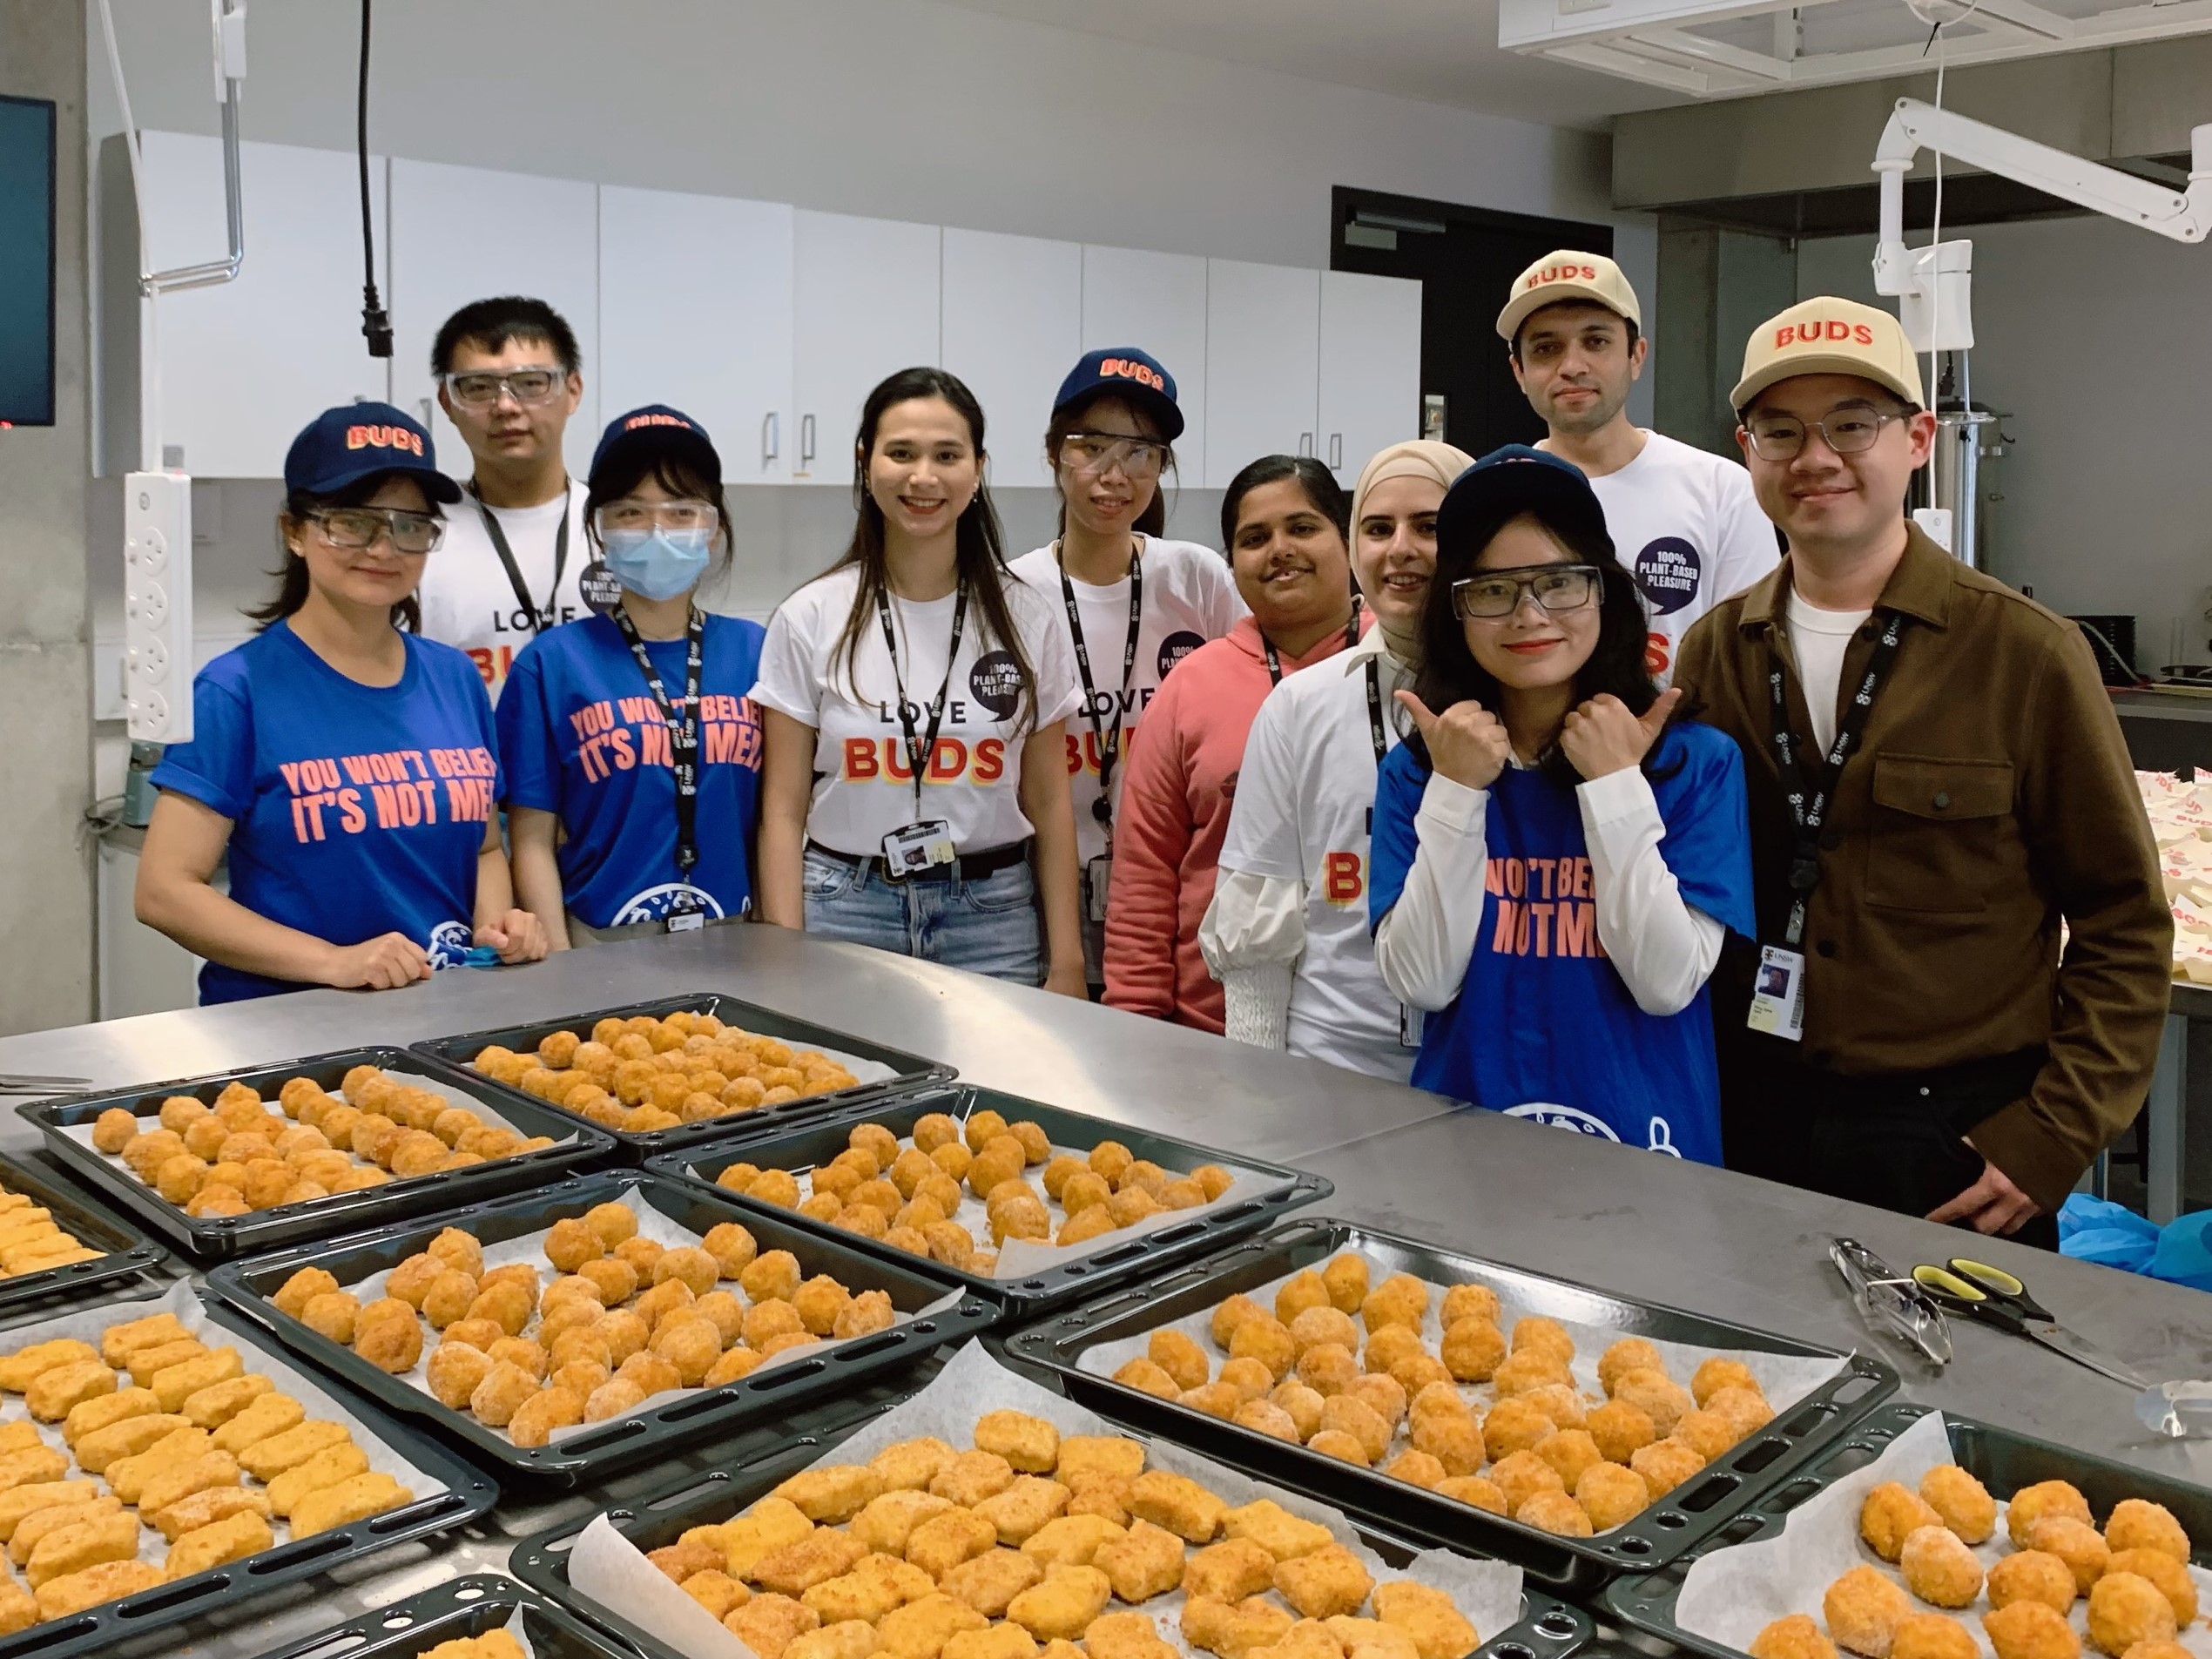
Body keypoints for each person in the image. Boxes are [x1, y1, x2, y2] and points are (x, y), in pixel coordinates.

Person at [1672, 296, 2170, 1244]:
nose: (1813, 457)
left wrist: (2051, 1135)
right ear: (1748, 453)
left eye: (1850, 424)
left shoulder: (2023, 654)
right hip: (1750, 1113)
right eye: (1780, 430)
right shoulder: (1715, 652)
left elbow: (2120, 920)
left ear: (1916, 438)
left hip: (1951, 1139)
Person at [1369, 446, 1754, 1161]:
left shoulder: (1693, 762)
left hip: (1649, 1156)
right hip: (1464, 1161)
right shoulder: (1419, 772)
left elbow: (1666, 983)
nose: (1530, 613)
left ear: (1604, 592)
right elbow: (1421, 980)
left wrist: (1614, 786)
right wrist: (1456, 791)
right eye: (1493, 589)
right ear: (1455, 609)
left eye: (1558, 582)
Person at [135, 404, 548, 1002]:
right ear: (295, 531)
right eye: (353, 522)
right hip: (287, 1035)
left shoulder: (454, 677)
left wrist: (497, 924)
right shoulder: (237, 691)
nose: (384, 547)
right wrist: (334, 962)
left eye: (410, 524)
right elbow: (164, 890)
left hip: (442, 1014)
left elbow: (483, 846)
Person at [752, 368, 1085, 994]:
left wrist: (1066, 958)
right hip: (844, 908)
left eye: (947, 455)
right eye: (900, 453)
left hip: (992, 916)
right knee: (848, 1089)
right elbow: (782, 807)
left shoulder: (1026, 618)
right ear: (865, 461)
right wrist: (783, 951)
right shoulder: (811, 616)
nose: (923, 477)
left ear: (979, 467)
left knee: (996, 1090)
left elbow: (1048, 802)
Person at [1201, 440, 1474, 1082]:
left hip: (1483, 1060)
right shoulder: (1299, 707)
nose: (1400, 549)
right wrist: (1259, 1102)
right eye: (1378, 529)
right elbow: (1257, 937)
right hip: (1331, 1065)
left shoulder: (1524, 700)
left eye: (1430, 527)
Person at [1009, 348, 1246, 994]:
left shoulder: (1196, 577)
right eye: (1092, 447)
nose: (1116, 474)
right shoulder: (1015, 593)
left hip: (1180, 894)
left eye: (1142, 452)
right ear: (1055, 453)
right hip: (1044, 902)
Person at [1106, 456, 1365, 1032]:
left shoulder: (1404, 666)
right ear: (1231, 563)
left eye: (1302, 528)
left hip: (1370, 1033)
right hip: (1212, 1029)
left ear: (1347, 538)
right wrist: (1136, 1029)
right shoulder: (1189, 689)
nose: (1280, 549)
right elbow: (1144, 881)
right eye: (1255, 538)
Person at [499, 406, 765, 948]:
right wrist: (559, 968)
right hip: (595, 943)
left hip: (737, 939)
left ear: (713, 529)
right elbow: (531, 840)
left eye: (682, 511)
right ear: (599, 530)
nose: (657, 531)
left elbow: (773, 822)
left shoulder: (757, 652)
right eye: (630, 514)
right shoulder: (550, 664)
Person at [1500, 250, 1777, 685]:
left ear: (1636, 356)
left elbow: (1751, 663)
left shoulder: (1723, 489)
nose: (1572, 366)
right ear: (1519, 371)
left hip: (1683, 747)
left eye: (1596, 342)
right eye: (1546, 348)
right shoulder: (1494, 494)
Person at [416, 296, 591, 700]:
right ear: (447, 402)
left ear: (573, 390)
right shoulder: (417, 540)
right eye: (478, 388)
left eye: (531, 383)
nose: (506, 407)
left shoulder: (617, 528)